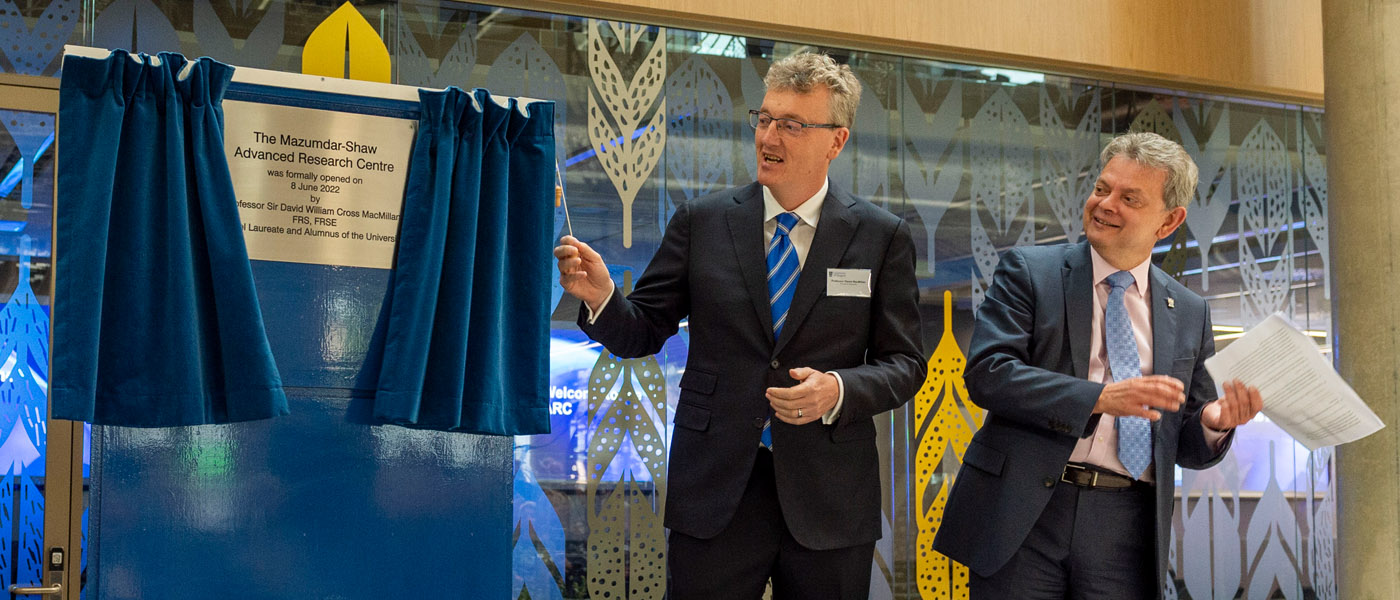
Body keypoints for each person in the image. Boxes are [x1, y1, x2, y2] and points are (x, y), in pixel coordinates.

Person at [554, 52, 925, 600]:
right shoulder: (702, 222)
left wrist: (841, 389)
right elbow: (642, 331)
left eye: (793, 125)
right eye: (766, 118)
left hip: (829, 499)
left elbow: (906, 364)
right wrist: (604, 298)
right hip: (716, 491)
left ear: (836, 140)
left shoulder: (880, 236)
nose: (769, 136)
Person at [932, 132, 1264, 599]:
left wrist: (1212, 423)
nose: (1106, 204)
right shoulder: (1030, 271)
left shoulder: (1189, 310)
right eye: (1102, 188)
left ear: (1168, 221)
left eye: (1129, 198)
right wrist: (1101, 398)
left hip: (1126, 525)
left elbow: (1184, 442)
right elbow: (989, 373)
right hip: (1024, 514)